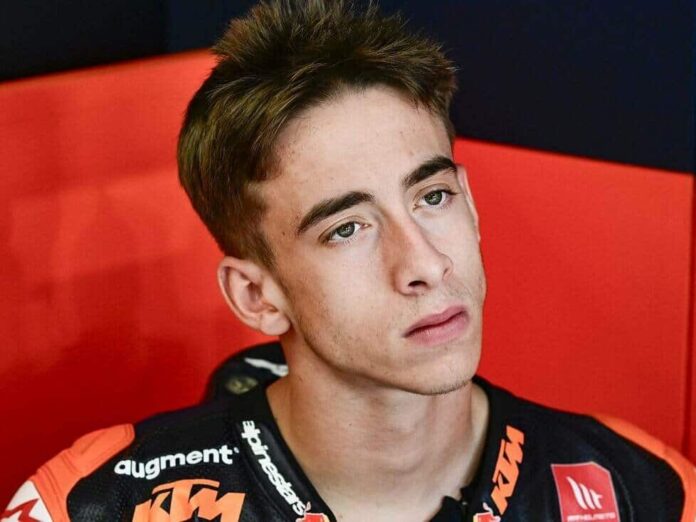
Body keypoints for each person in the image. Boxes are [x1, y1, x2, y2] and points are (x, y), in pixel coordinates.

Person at [3, 1, 695, 520]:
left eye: (432, 196)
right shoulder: (95, 505)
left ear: (472, 206)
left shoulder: (645, 490)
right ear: (256, 296)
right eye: (347, 228)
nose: (424, 264)